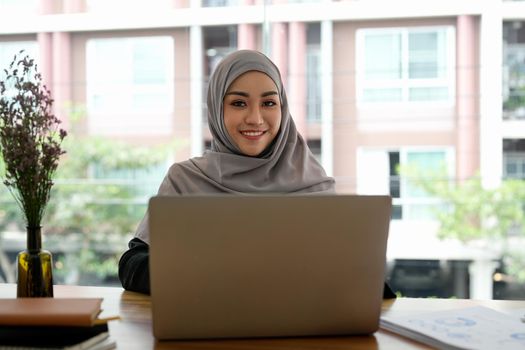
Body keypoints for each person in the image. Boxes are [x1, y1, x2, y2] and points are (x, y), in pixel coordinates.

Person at [118, 49, 396, 299]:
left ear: (283, 109)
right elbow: (132, 265)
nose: (255, 118)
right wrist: (210, 273)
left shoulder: (313, 184)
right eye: (239, 103)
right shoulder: (185, 180)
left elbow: (348, 271)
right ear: (217, 109)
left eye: (269, 103)